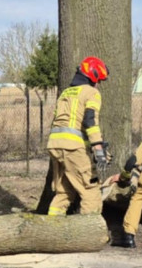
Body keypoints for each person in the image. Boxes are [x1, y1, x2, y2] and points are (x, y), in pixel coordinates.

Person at [46, 56, 109, 216]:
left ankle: (51, 231)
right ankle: (90, 234)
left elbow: (69, 123)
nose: (98, 84)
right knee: (90, 188)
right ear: (93, 76)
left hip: (54, 145)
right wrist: (98, 148)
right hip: (72, 148)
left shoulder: (65, 93)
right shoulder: (91, 92)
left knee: (64, 192)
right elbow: (89, 120)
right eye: (99, 80)